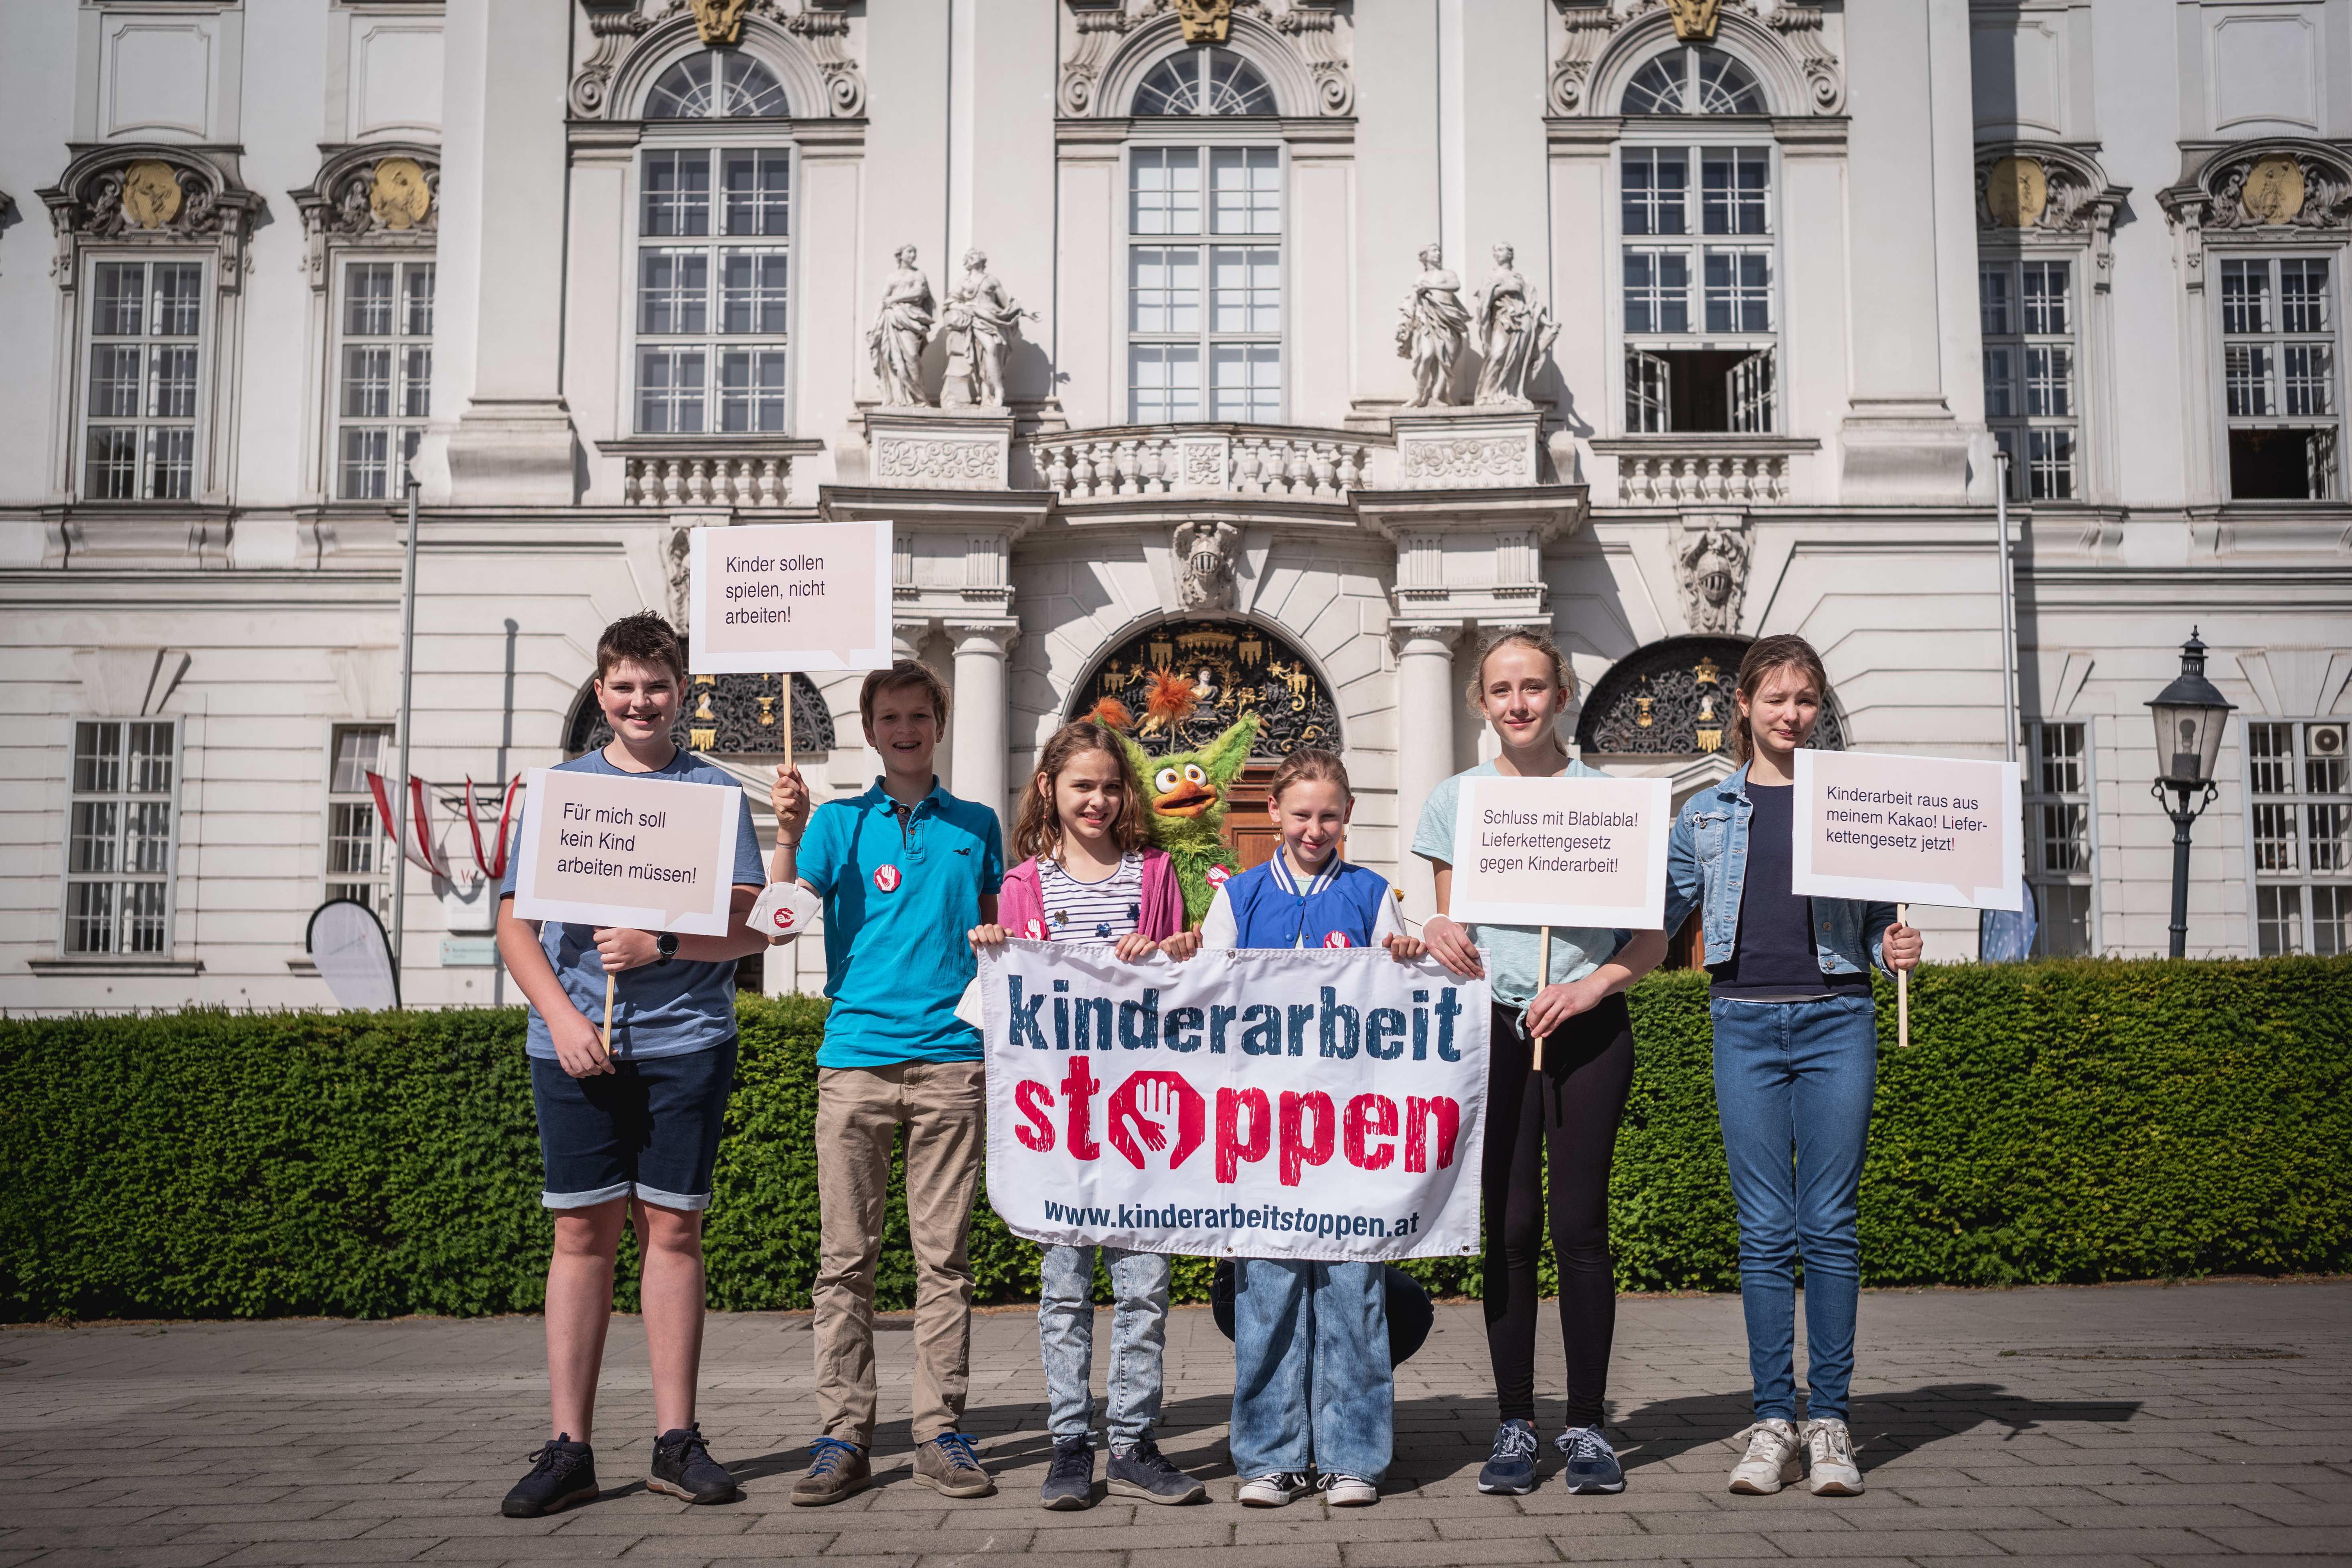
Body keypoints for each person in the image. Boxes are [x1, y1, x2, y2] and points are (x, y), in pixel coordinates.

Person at [492, 611, 771, 1518]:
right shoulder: (562, 791)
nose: (640, 701)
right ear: (601, 692)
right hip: (576, 1047)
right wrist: (562, 1014)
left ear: (681, 693)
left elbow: (750, 924)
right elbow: (515, 926)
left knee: (674, 1233)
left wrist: (661, 941)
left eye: (656, 686)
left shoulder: (714, 794)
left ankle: (675, 1440)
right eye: (624, 686)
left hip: (686, 1041)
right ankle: (568, 1446)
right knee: (581, 1235)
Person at [1661, 634, 1922, 1499]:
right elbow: (1646, 914)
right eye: (1774, 698)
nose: (1790, 714)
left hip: (1837, 1018)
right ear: (1741, 703)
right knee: (1765, 1229)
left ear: (1819, 707)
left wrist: (1894, 947)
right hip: (1740, 1023)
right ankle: (1773, 1417)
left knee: (1830, 1224)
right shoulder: (1704, 813)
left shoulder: (1851, 802)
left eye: (1804, 699)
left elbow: (1880, 923)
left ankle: (1831, 1421)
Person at [1412, 629, 1668, 1498]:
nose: (1516, 702)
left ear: (1560, 694)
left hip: (1588, 1032)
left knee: (1580, 1229)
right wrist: (1437, 929)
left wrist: (1590, 987)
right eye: (1499, 689)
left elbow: (1649, 941)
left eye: (1532, 686)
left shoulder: (1611, 802)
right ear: (1480, 703)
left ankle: (1588, 1424)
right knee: (1511, 1226)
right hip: (1494, 1030)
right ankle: (1515, 1421)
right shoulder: (1456, 800)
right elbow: (1453, 925)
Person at [766, 660, 1005, 1505]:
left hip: (952, 1058)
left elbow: (999, 937)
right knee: (845, 1262)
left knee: (945, 1261)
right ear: (869, 732)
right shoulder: (836, 822)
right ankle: (843, 1435)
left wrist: (998, 940)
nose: (905, 730)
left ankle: (939, 1431)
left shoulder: (977, 824)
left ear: (939, 723)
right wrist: (788, 832)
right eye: (890, 718)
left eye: (918, 716)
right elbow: (778, 927)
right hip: (855, 1058)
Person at [968, 721, 1203, 1510]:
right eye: (1081, 786)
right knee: (1064, 1288)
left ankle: (1132, 1442)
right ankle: (1070, 1443)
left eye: (1108, 786)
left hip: (1143, 1119)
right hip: (1059, 1122)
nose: (1096, 800)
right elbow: (1010, 1005)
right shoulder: (1021, 884)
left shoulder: (1156, 871)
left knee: (1144, 1287)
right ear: (1049, 789)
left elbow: (1185, 983)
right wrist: (996, 945)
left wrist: (1172, 949)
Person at [1191, 748, 1427, 1509]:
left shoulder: (1370, 894)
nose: (1314, 828)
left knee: (1354, 1294)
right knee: (1267, 1297)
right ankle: (1270, 1457)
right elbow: (1202, 994)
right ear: (1273, 813)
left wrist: (1405, 957)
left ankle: (1353, 1456)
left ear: (1348, 815)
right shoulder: (1239, 896)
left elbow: (1402, 1001)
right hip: (1260, 1131)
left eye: (1328, 815)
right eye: (1300, 814)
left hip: (1349, 1130)